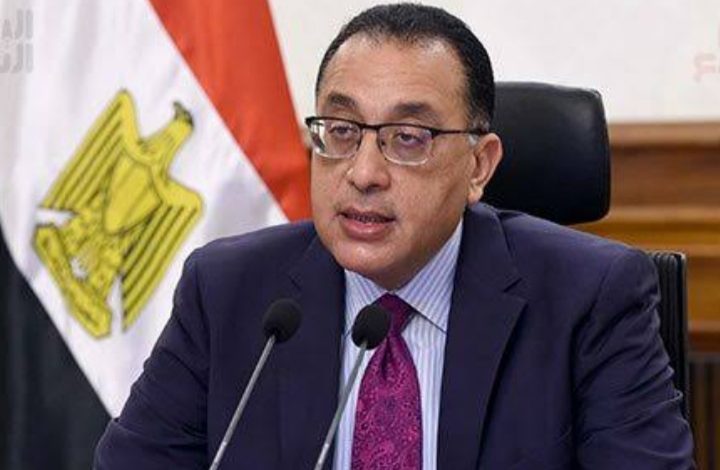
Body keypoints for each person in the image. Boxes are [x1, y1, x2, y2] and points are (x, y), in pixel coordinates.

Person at [94, 3, 694, 469]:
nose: (363, 173)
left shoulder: (590, 298)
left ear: (479, 166)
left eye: (408, 138)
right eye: (341, 130)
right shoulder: (229, 293)